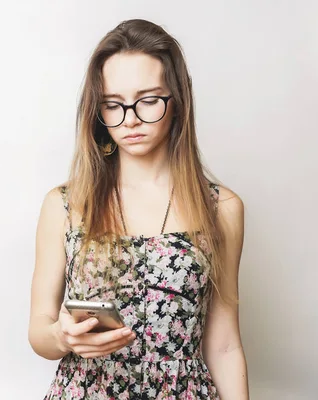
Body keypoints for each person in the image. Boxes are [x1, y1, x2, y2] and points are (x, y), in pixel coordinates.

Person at [28, 19, 249, 399]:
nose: (129, 119)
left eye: (148, 100)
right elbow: (39, 332)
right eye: (113, 104)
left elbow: (225, 344)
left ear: (177, 100)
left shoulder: (222, 208)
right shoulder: (65, 204)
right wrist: (61, 335)